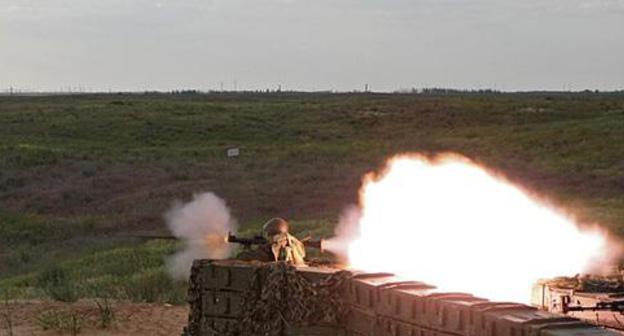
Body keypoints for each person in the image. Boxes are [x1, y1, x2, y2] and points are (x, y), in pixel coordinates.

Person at [236, 217, 307, 265]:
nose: (266, 237)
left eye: (267, 234)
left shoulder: (274, 246)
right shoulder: (292, 243)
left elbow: (243, 257)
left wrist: (247, 248)